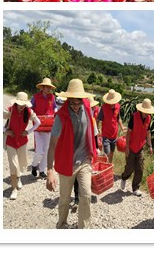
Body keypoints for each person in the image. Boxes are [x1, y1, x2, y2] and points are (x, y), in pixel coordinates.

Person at [46, 79, 96, 229]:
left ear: (82, 100)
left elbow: (91, 130)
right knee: (65, 199)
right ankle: (61, 224)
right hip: (67, 162)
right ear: (67, 100)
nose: (75, 106)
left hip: (84, 159)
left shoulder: (87, 107)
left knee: (86, 195)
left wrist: (95, 148)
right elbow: (52, 145)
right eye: (72, 103)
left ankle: (83, 228)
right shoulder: (60, 117)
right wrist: (50, 170)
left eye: (78, 103)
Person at [4, 92, 41, 200]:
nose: (21, 106)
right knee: (13, 165)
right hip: (11, 141)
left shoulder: (29, 111)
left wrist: (28, 132)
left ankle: (18, 178)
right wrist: (5, 130)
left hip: (22, 141)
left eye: (23, 104)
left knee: (20, 162)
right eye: (20, 104)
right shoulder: (9, 110)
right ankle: (14, 189)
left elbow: (38, 122)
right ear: (16, 102)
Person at [120, 98, 154, 196]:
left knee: (140, 168)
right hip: (131, 146)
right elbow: (128, 133)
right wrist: (127, 147)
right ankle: (124, 177)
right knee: (130, 168)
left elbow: (148, 133)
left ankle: (135, 188)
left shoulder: (149, 118)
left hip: (140, 147)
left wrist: (150, 145)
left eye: (147, 112)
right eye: (144, 111)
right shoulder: (134, 117)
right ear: (141, 110)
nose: (146, 113)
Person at [30, 77, 57, 179]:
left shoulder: (52, 97)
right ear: (42, 87)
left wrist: (54, 111)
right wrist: (33, 115)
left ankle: (42, 171)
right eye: (47, 87)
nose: (49, 89)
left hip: (49, 127)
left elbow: (54, 107)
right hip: (38, 127)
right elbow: (30, 107)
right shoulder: (35, 97)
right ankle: (34, 165)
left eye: (50, 87)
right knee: (39, 151)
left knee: (46, 150)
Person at [97, 89, 126, 164]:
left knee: (112, 152)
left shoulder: (118, 106)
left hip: (114, 134)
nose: (112, 103)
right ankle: (105, 165)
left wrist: (122, 127)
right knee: (107, 152)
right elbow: (98, 119)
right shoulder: (104, 108)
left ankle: (109, 165)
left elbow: (118, 118)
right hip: (106, 134)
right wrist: (97, 128)